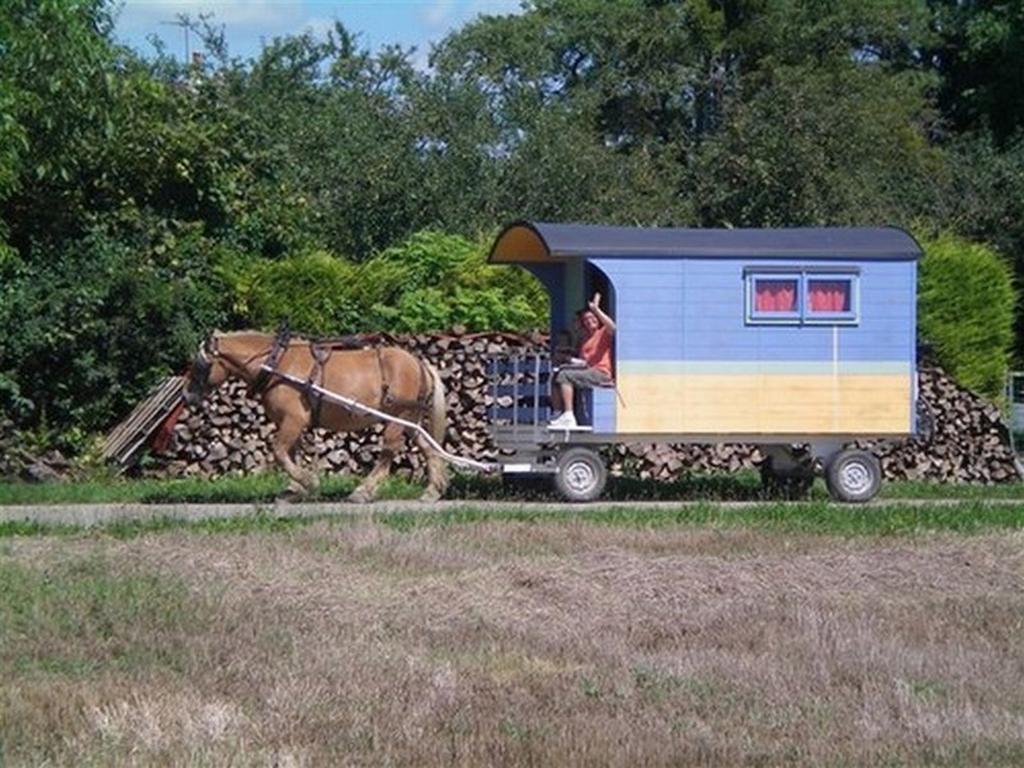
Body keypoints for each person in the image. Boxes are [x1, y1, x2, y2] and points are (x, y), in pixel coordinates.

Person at [548, 292, 615, 429]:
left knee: (565, 375)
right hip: (589, 371)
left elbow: (613, 328)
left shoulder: (602, 333)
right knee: (556, 375)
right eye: (586, 320)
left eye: (592, 318)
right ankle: (558, 413)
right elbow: (585, 363)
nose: (590, 322)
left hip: (601, 373)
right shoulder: (585, 340)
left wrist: (596, 310)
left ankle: (569, 415)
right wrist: (570, 361)